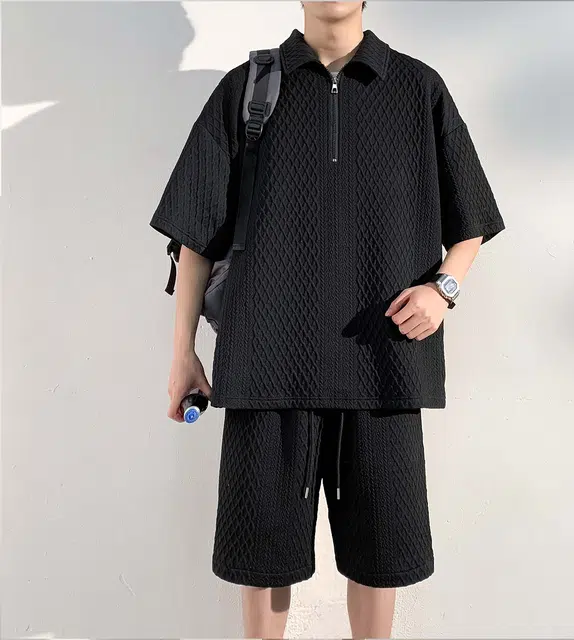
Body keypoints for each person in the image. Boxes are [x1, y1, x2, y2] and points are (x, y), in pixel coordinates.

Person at [149, 1, 505, 637]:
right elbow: (194, 235)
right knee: (262, 561)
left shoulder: (418, 88)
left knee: (380, 560)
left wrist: (443, 290)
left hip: (384, 364)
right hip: (265, 366)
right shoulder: (246, 87)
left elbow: (471, 218)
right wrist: (182, 356)